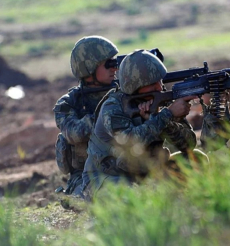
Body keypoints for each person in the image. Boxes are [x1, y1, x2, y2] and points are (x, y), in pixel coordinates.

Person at [82, 49, 208, 199]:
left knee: (196, 159)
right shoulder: (113, 108)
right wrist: (166, 115)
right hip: (107, 177)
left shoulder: (159, 99)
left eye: (160, 80)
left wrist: (165, 119)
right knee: (132, 199)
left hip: (145, 172)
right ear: (135, 87)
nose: (159, 87)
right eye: (152, 84)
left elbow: (188, 144)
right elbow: (130, 142)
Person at [53, 35, 119, 196]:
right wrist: (107, 115)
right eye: (109, 64)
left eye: (115, 63)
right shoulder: (69, 103)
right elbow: (73, 133)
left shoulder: (123, 93)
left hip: (126, 167)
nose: (115, 68)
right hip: (86, 176)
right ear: (89, 68)